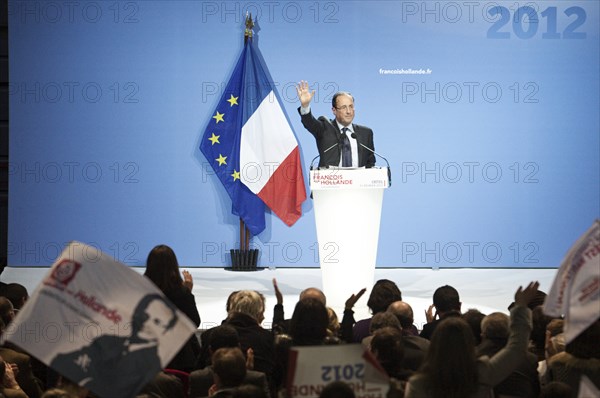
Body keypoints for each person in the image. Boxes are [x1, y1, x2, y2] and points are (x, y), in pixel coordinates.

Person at [404, 281, 540, 398]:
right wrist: (521, 306)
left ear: (435, 344)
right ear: (471, 342)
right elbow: (516, 349)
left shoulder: (418, 383)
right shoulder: (481, 374)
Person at [50, 294, 178, 398]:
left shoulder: (155, 369)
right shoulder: (107, 340)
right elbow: (62, 360)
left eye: (157, 321)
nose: (146, 322)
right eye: (144, 315)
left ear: (165, 330)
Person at [145, 244, 201, 372]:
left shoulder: (141, 290)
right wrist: (188, 292)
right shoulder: (181, 293)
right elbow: (194, 322)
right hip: (180, 358)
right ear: (174, 265)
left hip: (147, 355)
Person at [296, 80, 375, 168]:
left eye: (351, 106)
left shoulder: (366, 133)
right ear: (334, 110)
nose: (348, 111)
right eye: (343, 107)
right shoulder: (324, 128)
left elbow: (370, 164)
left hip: (359, 181)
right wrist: (305, 106)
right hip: (331, 180)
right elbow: (309, 123)